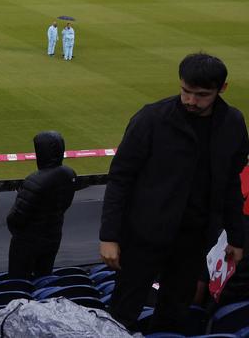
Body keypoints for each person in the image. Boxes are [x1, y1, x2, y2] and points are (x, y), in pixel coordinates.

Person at [101, 53, 249, 333]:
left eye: (202, 95)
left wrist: (236, 237)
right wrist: (109, 235)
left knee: (175, 313)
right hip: (143, 237)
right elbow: (120, 178)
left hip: (194, 240)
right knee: (123, 312)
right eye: (186, 91)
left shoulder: (232, 124)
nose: (191, 101)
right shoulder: (151, 119)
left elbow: (231, 184)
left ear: (222, 89)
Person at [6, 131, 78, 279]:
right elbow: (65, 204)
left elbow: (16, 218)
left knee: (19, 280)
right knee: (44, 276)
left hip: (28, 242)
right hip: (53, 235)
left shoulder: (35, 181)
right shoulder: (70, 174)